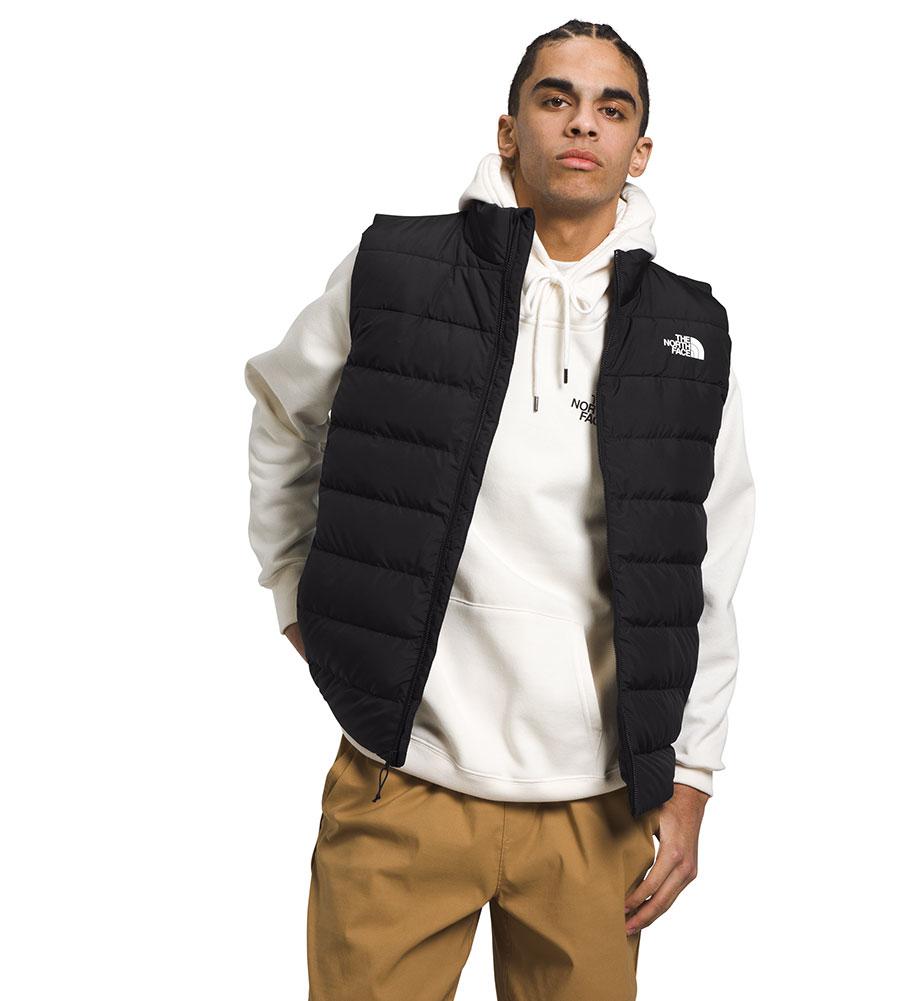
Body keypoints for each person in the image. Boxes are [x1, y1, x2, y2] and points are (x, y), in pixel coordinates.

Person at [244, 19, 755, 1001]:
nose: (582, 123)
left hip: (596, 804)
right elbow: (282, 408)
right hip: (402, 777)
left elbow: (710, 561)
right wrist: (291, 587)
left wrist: (691, 774)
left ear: (639, 149)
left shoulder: (689, 329)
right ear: (509, 129)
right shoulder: (394, 269)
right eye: (555, 99)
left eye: (611, 109)